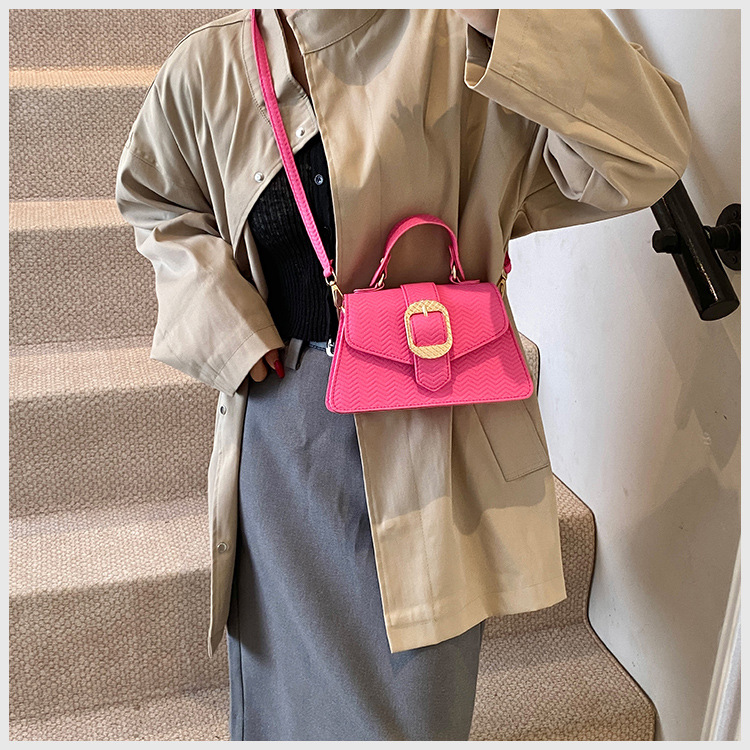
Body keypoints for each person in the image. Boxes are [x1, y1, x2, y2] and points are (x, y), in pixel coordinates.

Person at [115, 9, 691, 741]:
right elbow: (159, 201)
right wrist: (223, 326)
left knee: (409, 714)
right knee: (284, 706)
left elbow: (648, 152)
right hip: (285, 428)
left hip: (434, 431)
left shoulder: (462, 37)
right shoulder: (214, 62)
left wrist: (507, 20)